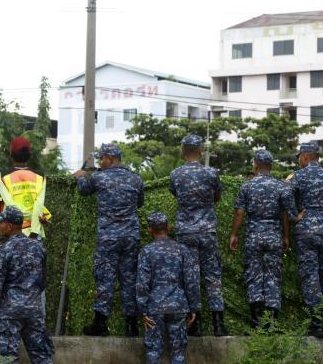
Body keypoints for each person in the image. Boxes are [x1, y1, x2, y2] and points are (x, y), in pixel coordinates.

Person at [73, 143, 145, 337]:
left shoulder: (99, 177)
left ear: (110, 159)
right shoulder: (135, 179)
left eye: (101, 158)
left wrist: (80, 176)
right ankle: (131, 326)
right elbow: (140, 203)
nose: (99, 162)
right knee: (129, 279)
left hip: (108, 237)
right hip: (130, 236)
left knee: (105, 278)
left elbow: (84, 190)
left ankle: (100, 324)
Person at [229, 150, 297, 329]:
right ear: (272, 166)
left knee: (254, 275)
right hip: (274, 236)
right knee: (273, 276)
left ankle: (256, 320)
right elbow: (286, 214)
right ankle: (272, 321)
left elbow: (239, 212)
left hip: (253, 236)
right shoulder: (281, 187)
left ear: (255, 165)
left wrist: (234, 234)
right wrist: (286, 236)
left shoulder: (247, 186)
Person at [0, 206, 54, 363]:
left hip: (10, 314)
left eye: (1, 222)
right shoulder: (39, 248)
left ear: (10, 226)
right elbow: (43, 280)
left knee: (8, 359)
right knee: (42, 358)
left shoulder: (3, 250)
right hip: (34, 312)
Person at [169, 134, 228, 337]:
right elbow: (217, 197)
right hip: (207, 230)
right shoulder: (211, 173)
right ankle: (219, 324)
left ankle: (195, 325)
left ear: (184, 151)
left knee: (189, 277)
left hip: (185, 231)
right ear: (200, 150)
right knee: (213, 277)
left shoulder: (176, 174)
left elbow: (176, 195)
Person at [288, 141, 323, 338]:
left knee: (310, 274)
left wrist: (294, 215)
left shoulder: (298, 176)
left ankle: (316, 323)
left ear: (304, 157)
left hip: (305, 232)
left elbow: (285, 195)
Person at [137, 212, 200, 364]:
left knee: (153, 352)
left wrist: (142, 310)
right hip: (178, 306)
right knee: (178, 353)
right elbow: (191, 280)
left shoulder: (146, 251)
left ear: (150, 230)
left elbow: (142, 283)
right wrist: (194, 307)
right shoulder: (182, 250)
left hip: (154, 306)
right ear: (168, 227)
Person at [0, 137, 51, 239]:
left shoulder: (2, 176)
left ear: (11, 155)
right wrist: (34, 231)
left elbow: (11, 205)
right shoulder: (40, 176)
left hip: (14, 231)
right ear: (30, 156)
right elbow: (39, 205)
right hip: (35, 231)